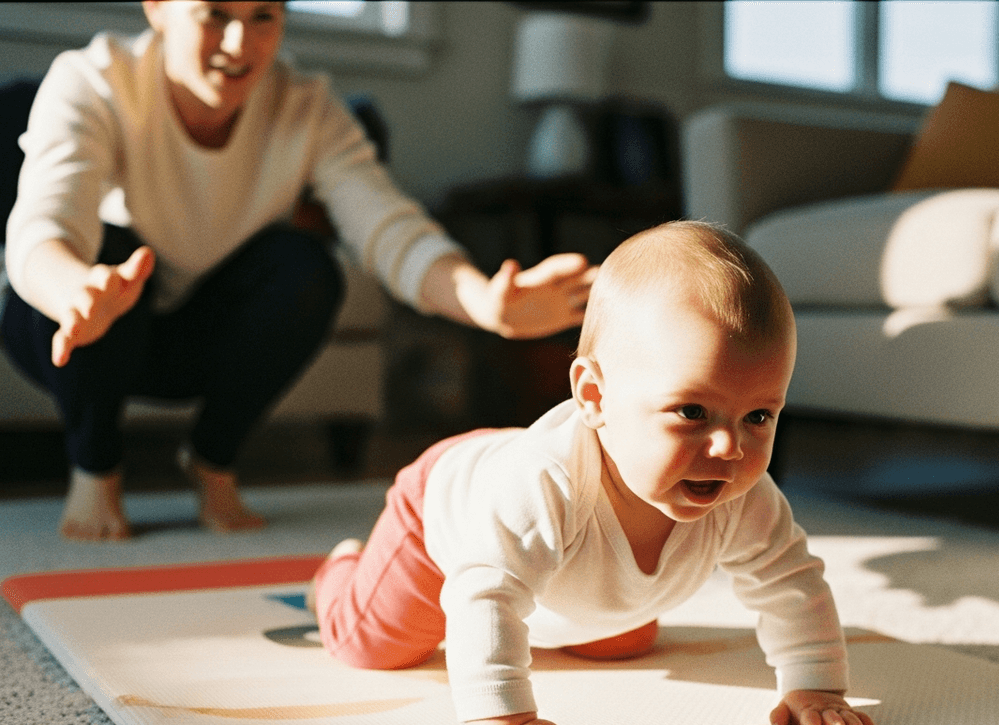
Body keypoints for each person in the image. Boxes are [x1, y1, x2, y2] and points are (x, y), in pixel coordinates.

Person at [310, 220, 878, 725]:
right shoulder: (540, 485)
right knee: (374, 645)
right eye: (692, 412)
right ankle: (339, 573)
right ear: (594, 397)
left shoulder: (745, 494)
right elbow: (486, 596)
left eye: (759, 416)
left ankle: (570, 596)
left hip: (568, 570)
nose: (730, 448)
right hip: (444, 516)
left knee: (623, 638)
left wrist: (815, 685)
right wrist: (509, 724)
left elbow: (791, 581)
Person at [0, 1, 595, 541]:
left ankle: (212, 461)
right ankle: (95, 466)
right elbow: (44, 223)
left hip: (195, 340)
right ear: (157, 8)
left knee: (306, 267)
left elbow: (386, 227)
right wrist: (75, 290)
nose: (241, 42)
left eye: (264, 16)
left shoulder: (306, 105)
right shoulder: (91, 78)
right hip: (82, 328)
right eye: (213, 14)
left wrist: (483, 301)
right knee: (105, 255)